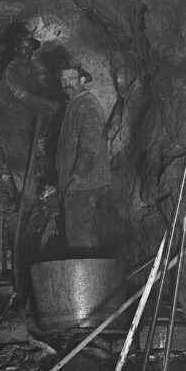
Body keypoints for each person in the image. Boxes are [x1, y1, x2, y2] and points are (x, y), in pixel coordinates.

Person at [0, 26, 60, 193]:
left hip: (25, 122)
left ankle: (33, 199)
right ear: (16, 48)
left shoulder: (31, 68)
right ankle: (28, 200)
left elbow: (35, 90)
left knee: (33, 161)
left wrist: (46, 99)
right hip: (10, 125)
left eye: (30, 47)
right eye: (23, 47)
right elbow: (20, 95)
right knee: (22, 165)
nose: (27, 50)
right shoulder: (12, 69)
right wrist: (46, 104)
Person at [56, 61, 110, 255]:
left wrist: (77, 178)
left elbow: (90, 145)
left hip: (85, 183)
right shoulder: (73, 104)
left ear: (82, 80)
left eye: (71, 78)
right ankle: (92, 280)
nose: (66, 83)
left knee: (79, 235)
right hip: (78, 182)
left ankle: (88, 282)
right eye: (63, 79)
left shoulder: (87, 106)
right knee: (80, 232)